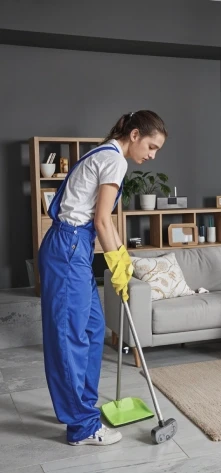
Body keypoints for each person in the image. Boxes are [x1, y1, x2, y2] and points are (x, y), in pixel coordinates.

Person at [38, 111, 167, 446]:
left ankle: (78, 406)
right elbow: (102, 221)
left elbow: (102, 225)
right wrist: (119, 266)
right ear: (135, 134)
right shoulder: (114, 160)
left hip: (75, 245)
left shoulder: (103, 153)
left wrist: (120, 257)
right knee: (72, 337)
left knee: (94, 330)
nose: (151, 155)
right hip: (69, 246)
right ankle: (81, 426)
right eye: (151, 146)